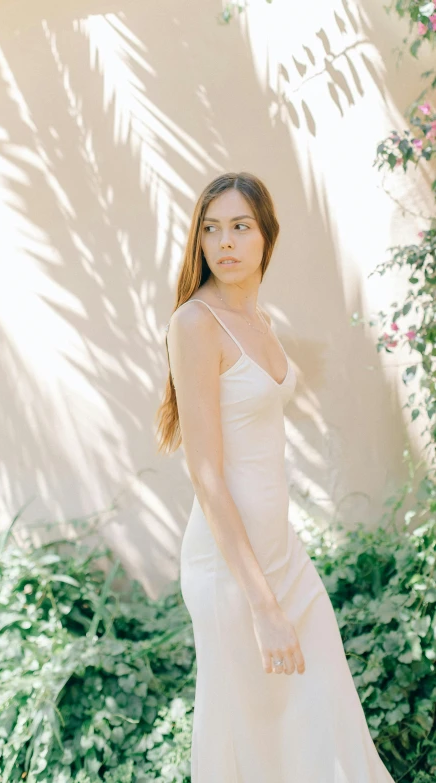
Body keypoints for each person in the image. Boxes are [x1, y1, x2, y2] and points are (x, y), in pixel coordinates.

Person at [155, 171, 396, 782]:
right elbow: (206, 473)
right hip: (231, 572)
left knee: (327, 719)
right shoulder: (194, 323)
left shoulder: (258, 320)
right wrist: (263, 607)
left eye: (240, 227)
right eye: (211, 229)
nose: (224, 242)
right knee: (253, 745)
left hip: (283, 555)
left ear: (267, 236)